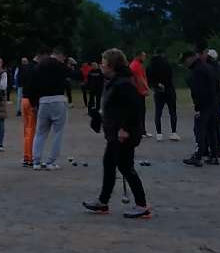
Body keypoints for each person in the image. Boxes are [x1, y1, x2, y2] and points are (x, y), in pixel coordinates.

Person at [82, 48, 151, 218]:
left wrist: (125, 129)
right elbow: (113, 107)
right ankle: (103, 202)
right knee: (110, 164)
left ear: (112, 65)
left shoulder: (124, 83)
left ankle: (142, 205)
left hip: (123, 134)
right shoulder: (113, 81)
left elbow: (134, 109)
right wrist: (99, 116)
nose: (101, 65)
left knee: (125, 167)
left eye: (104, 63)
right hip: (114, 132)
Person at [31, 46, 71, 169]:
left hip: (43, 101)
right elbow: (77, 75)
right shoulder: (61, 66)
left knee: (40, 133)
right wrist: (71, 64)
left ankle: (36, 161)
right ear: (61, 56)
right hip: (58, 100)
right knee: (57, 133)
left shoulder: (40, 66)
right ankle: (51, 162)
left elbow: (33, 85)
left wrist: (34, 103)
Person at [182, 49, 216, 168]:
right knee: (211, 129)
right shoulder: (208, 67)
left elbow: (198, 91)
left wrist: (198, 107)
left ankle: (198, 156)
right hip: (213, 102)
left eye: (185, 61)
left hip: (204, 104)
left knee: (199, 129)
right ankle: (214, 155)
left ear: (190, 58)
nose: (186, 64)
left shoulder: (196, 71)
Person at [147, 51, 179, 142]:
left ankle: (159, 134)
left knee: (158, 113)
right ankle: (173, 132)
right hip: (169, 90)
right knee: (172, 112)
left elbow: (149, 81)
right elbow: (170, 76)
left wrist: (157, 85)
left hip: (158, 92)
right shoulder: (166, 64)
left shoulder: (150, 67)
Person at [17, 54, 38, 167]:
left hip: (24, 99)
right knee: (31, 130)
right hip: (30, 101)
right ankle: (29, 157)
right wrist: (35, 103)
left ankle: (26, 156)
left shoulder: (25, 68)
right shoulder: (36, 69)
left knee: (26, 130)